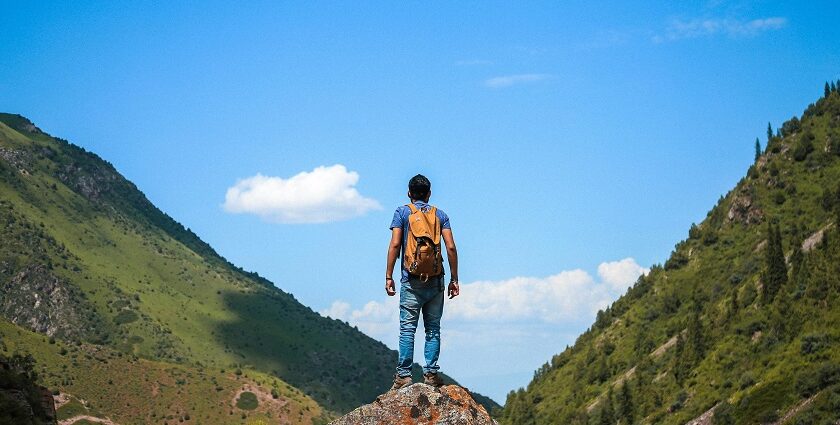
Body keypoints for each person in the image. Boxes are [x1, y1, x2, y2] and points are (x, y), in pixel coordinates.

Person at [385, 174, 459, 390]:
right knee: (433, 328)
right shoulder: (440, 215)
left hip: (411, 279)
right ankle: (431, 374)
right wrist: (454, 279)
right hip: (436, 280)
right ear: (429, 194)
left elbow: (395, 244)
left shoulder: (402, 212)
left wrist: (389, 276)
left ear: (409, 193)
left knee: (407, 328)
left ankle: (403, 376)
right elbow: (451, 247)